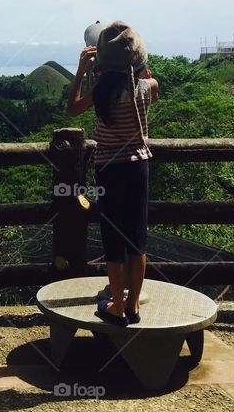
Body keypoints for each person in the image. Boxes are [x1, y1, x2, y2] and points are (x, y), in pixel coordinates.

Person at [65, 21, 158, 326]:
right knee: (137, 240)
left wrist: (82, 71)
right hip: (140, 166)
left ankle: (116, 306)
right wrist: (136, 66)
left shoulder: (101, 91)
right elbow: (149, 82)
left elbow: (73, 109)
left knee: (113, 240)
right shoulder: (147, 87)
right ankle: (133, 306)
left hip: (110, 170)